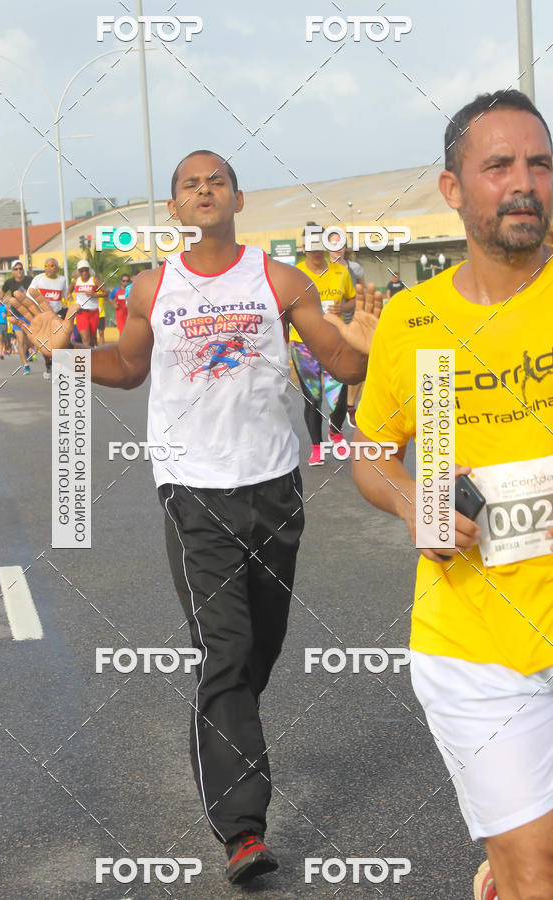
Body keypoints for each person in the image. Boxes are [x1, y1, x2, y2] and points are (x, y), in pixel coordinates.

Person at [11, 149, 380, 886]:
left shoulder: (281, 280)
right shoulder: (153, 287)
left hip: (274, 487)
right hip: (192, 490)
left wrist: (369, 349)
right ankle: (243, 831)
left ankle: (222, 732)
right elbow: (129, 368)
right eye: (190, 184)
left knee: (258, 649)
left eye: (216, 181)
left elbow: (342, 364)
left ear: (238, 198)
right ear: (174, 208)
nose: (204, 190)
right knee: (226, 649)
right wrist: (67, 353)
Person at [330, 90, 553, 900]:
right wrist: (415, 504)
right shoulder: (415, 321)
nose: (523, 182)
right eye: (499, 166)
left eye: (539, 164)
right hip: (472, 641)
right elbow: (372, 454)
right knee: (537, 868)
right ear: (454, 189)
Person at [290, 223, 369, 465]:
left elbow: (353, 301)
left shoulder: (340, 272)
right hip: (304, 345)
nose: (316, 250)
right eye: (311, 244)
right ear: (304, 247)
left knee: (338, 395)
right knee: (312, 398)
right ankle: (316, 447)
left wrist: (340, 307)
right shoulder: (295, 274)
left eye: (320, 244)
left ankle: (336, 432)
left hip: (336, 342)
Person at [327, 234, 366, 427]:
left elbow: (362, 295)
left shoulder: (355, 268)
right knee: (338, 371)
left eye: (340, 243)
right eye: (333, 243)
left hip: (353, 321)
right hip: (331, 325)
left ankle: (350, 406)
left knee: (358, 367)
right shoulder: (323, 269)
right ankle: (337, 411)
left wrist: (346, 308)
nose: (337, 247)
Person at [21, 258, 68, 379]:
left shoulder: (62, 280)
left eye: (52, 266)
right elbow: (28, 294)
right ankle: (48, 365)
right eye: (46, 266)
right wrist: (39, 302)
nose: (49, 268)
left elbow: (66, 295)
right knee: (45, 345)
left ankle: (59, 369)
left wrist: (68, 301)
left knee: (58, 343)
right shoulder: (39, 278)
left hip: (57, 315)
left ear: (57, 268)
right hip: (43, 316)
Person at [0, 260, 33, 373]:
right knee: (20, 339)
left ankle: (27, 349)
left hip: (29, 314)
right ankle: (26, 365)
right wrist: (3, 299)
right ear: (12, 271)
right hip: (16, 315)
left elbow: (34, 293)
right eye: (16, 269)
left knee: (30, 341)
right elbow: (0, 295)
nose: (19, 271)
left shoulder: (30, 280)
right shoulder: (9, 282)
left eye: (20, 268)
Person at [67, 260, 107, 348]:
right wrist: (69, 295)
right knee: (85, 339)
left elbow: (106, 293)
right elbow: (69, 290)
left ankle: (93, 354)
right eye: (81, 270)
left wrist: (95, 295)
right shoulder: (76, 282)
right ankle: (87, 357)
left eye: (86, 270)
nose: (84, 272)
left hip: (93, 313)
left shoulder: (94, 280)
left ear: (89, 270)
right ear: (78, 271)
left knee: (92, 339)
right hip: (81, 313)